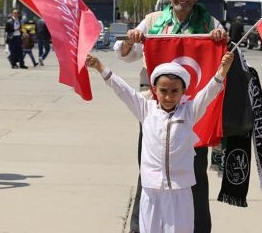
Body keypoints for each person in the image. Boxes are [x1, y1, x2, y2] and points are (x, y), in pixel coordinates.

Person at [114, 0, 229, 233]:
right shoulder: (153, 21)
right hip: (154, 112)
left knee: (194, 173)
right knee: (150, 171)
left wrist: (219, 38)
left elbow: (223, 44)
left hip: (191, 114)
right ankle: (138, 227)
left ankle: (198, 228)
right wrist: (130, 40)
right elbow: (127, 54)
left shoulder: (207, 22)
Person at [87, 51, 233, 233]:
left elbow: (209, 92)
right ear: (154, 90)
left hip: (180, 189)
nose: (169, 96)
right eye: (163, 91)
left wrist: (223, 70)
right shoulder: (145, 109)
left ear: (183, 92)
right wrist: (100, 67)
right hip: (151, 188)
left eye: (174, 91)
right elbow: (122, 89)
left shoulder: (189, 112)